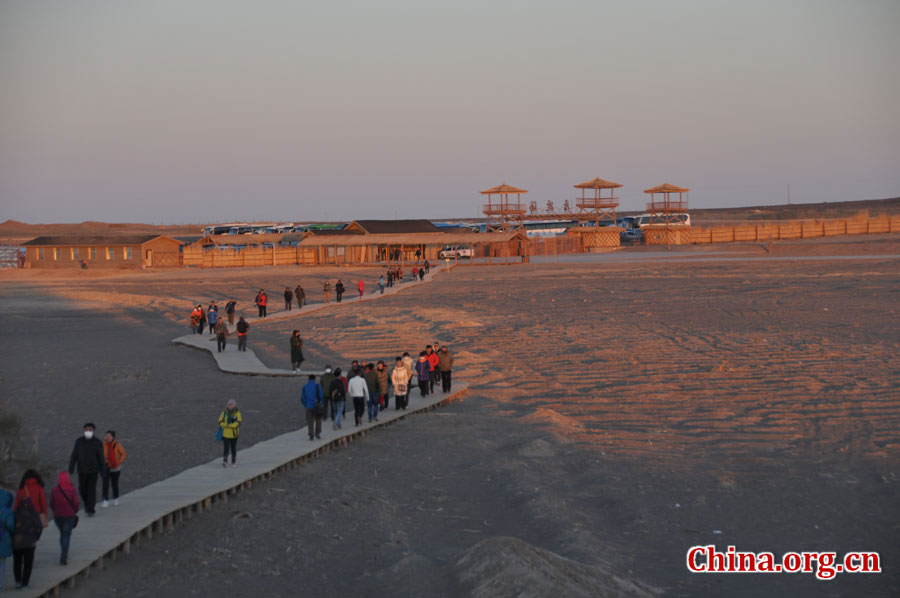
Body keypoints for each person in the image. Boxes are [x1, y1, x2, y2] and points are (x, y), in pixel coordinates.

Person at [12, 470, 47, 589]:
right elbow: (43, 504)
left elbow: (16, 505)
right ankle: (25, 584)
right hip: (34, 519)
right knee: (28, 558)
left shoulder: (22, 488)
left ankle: (17, 581)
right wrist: (43, 516)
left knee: (17, 559)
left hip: (20, 520)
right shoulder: (39, 487)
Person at [67, 423, 104, 516]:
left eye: (90, 430)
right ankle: (87, 504)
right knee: (82, 489)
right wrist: (71, 468)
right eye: (86, 430)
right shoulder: (79, 441)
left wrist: (103, 471)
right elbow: (74, 455)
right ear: (84, 430)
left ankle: (91, 509)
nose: (88, 431)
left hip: (93, 471)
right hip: (82, 470)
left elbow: (101, 458)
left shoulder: (97, 442)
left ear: (93, 431)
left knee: (91, 490)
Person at [48, 472, 79, 565]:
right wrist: (74, 511)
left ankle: (63, 551)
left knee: (62, 534)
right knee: (66, 535)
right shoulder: (72, 490)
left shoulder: (55, 490)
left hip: (58, 517)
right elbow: (76, 503)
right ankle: (64, 554)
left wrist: (56, 511)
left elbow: (51, 504)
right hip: (69, 516)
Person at [101, 430, 126, 508]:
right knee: (105, 484)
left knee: (114, 484)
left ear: (113, 437)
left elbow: (123, 454)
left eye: (109, 436)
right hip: (106, 467)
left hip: (115, 468)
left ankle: (116, 498)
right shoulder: (102, 445)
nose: (107, 437)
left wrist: (118, 462)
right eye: (106, 436)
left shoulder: (117, 445)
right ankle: (105, 500)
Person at [218, 400, 241, 467]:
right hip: (226, 434)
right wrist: (225, 424)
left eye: (231, 405)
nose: (230, 406)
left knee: (233, 448)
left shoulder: (237, 413)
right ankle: (225, 461)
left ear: (234, 405)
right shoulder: (224, 413)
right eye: (229, 404)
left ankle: (233, 462)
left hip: (234, 435)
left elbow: (238, 423)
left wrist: (229, 426)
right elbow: (220, 421)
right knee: (226, 448)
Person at [301, 374, 323, 440]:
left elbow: (302, 398)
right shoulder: (317, 386)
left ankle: (311, 435)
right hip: (317, 406)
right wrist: (321, 403)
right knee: (318, 420)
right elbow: (321, 395)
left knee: (310, 421)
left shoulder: (305, 387)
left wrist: (306, 404)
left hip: (309, 406)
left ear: (309, 379)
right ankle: (318, 433)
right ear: (314, 379)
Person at [0, 488, 14, 588]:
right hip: (3, 539)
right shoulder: (7, 511)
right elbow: (10, 525)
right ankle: (0, 584)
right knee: (2, 564)